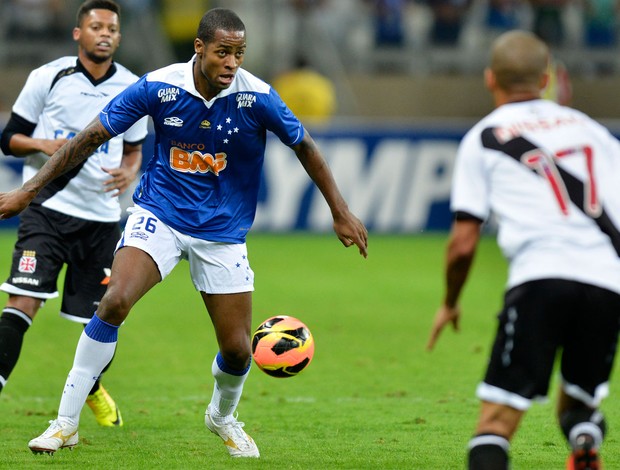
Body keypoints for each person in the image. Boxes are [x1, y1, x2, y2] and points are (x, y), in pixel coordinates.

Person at [0, 7, 368, 458]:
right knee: (114, 300)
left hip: (223, 232)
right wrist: (27, 192)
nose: (232, 63)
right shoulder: (159, 86)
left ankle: (222, 417)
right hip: (161, 215)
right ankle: (65, 423)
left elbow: (305, 146)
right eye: (223, 53)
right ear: (200, 48)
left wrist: (340, 210)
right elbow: (87, 138)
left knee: (237, 351)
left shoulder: (258, 97)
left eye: (239, 53)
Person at [426, 30, 620, 470]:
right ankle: (584, 436)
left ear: (489, 78)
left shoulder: (483, 137)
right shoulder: (593, 131)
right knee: (577, 401)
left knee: (495, 424)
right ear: (546, 77)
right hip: (608, 283)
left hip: (540, 279)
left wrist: (450, 302)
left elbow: (462, 244)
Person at [0, 0, 148, 427]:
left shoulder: (133, 86)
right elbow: (9, 138)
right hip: (46, 210)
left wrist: (128, 170)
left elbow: (135, 148)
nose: (105, 33)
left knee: (105, 315)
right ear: (78, 34)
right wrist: (44, 146)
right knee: (22, 301)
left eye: (112, 28)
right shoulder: (48, 77)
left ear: (119, 37)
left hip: (101, 221)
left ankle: (92, 388)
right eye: (96, 26)